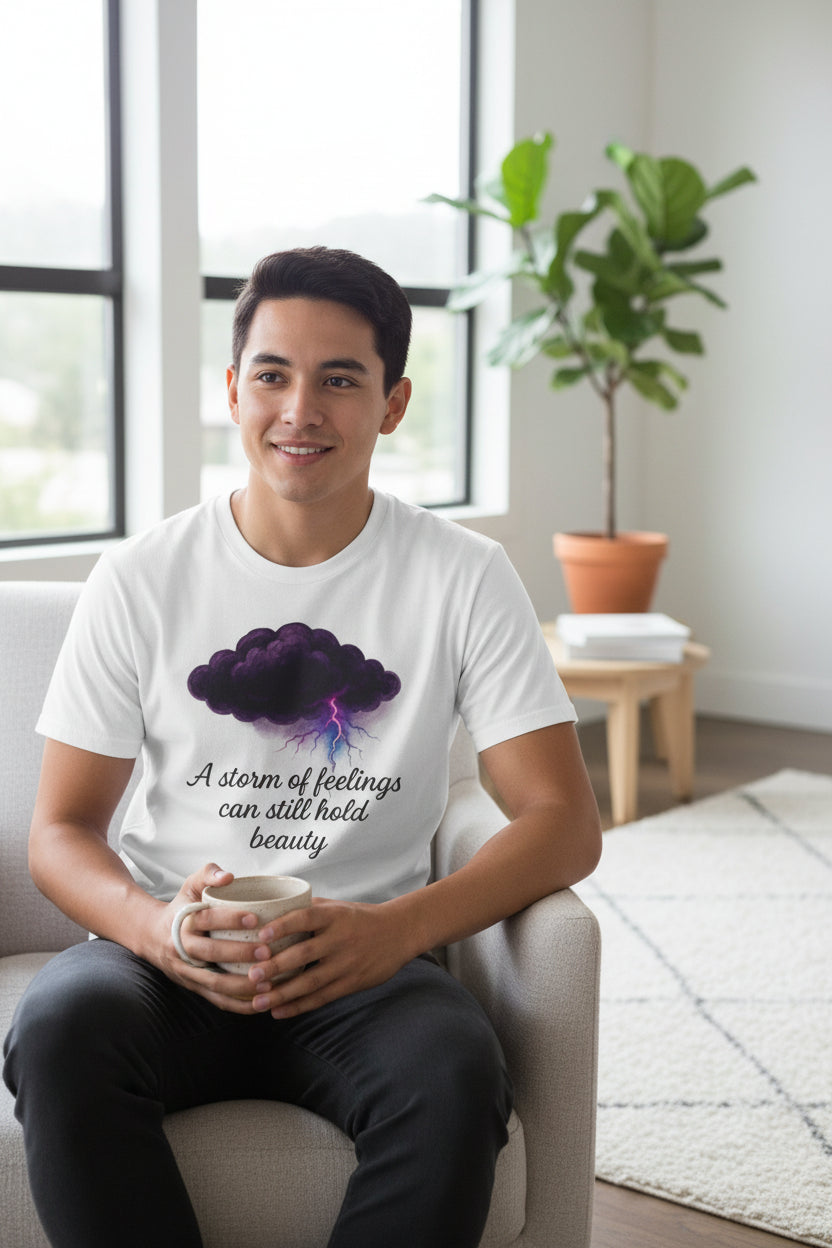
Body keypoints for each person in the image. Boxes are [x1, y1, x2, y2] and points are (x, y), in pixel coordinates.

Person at [3, 246, 602, 1248]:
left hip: (369, 965)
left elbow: (562, 822)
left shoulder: (463, 575)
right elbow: (59, 831)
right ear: (234, 390)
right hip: (165, 968)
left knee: (456, 1073)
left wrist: (400, 929)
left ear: (393, 402)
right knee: (62, 1030)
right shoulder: (141, 576)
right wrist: (155, 931)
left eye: (340, 380)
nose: (300, 410)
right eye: (273, 375)